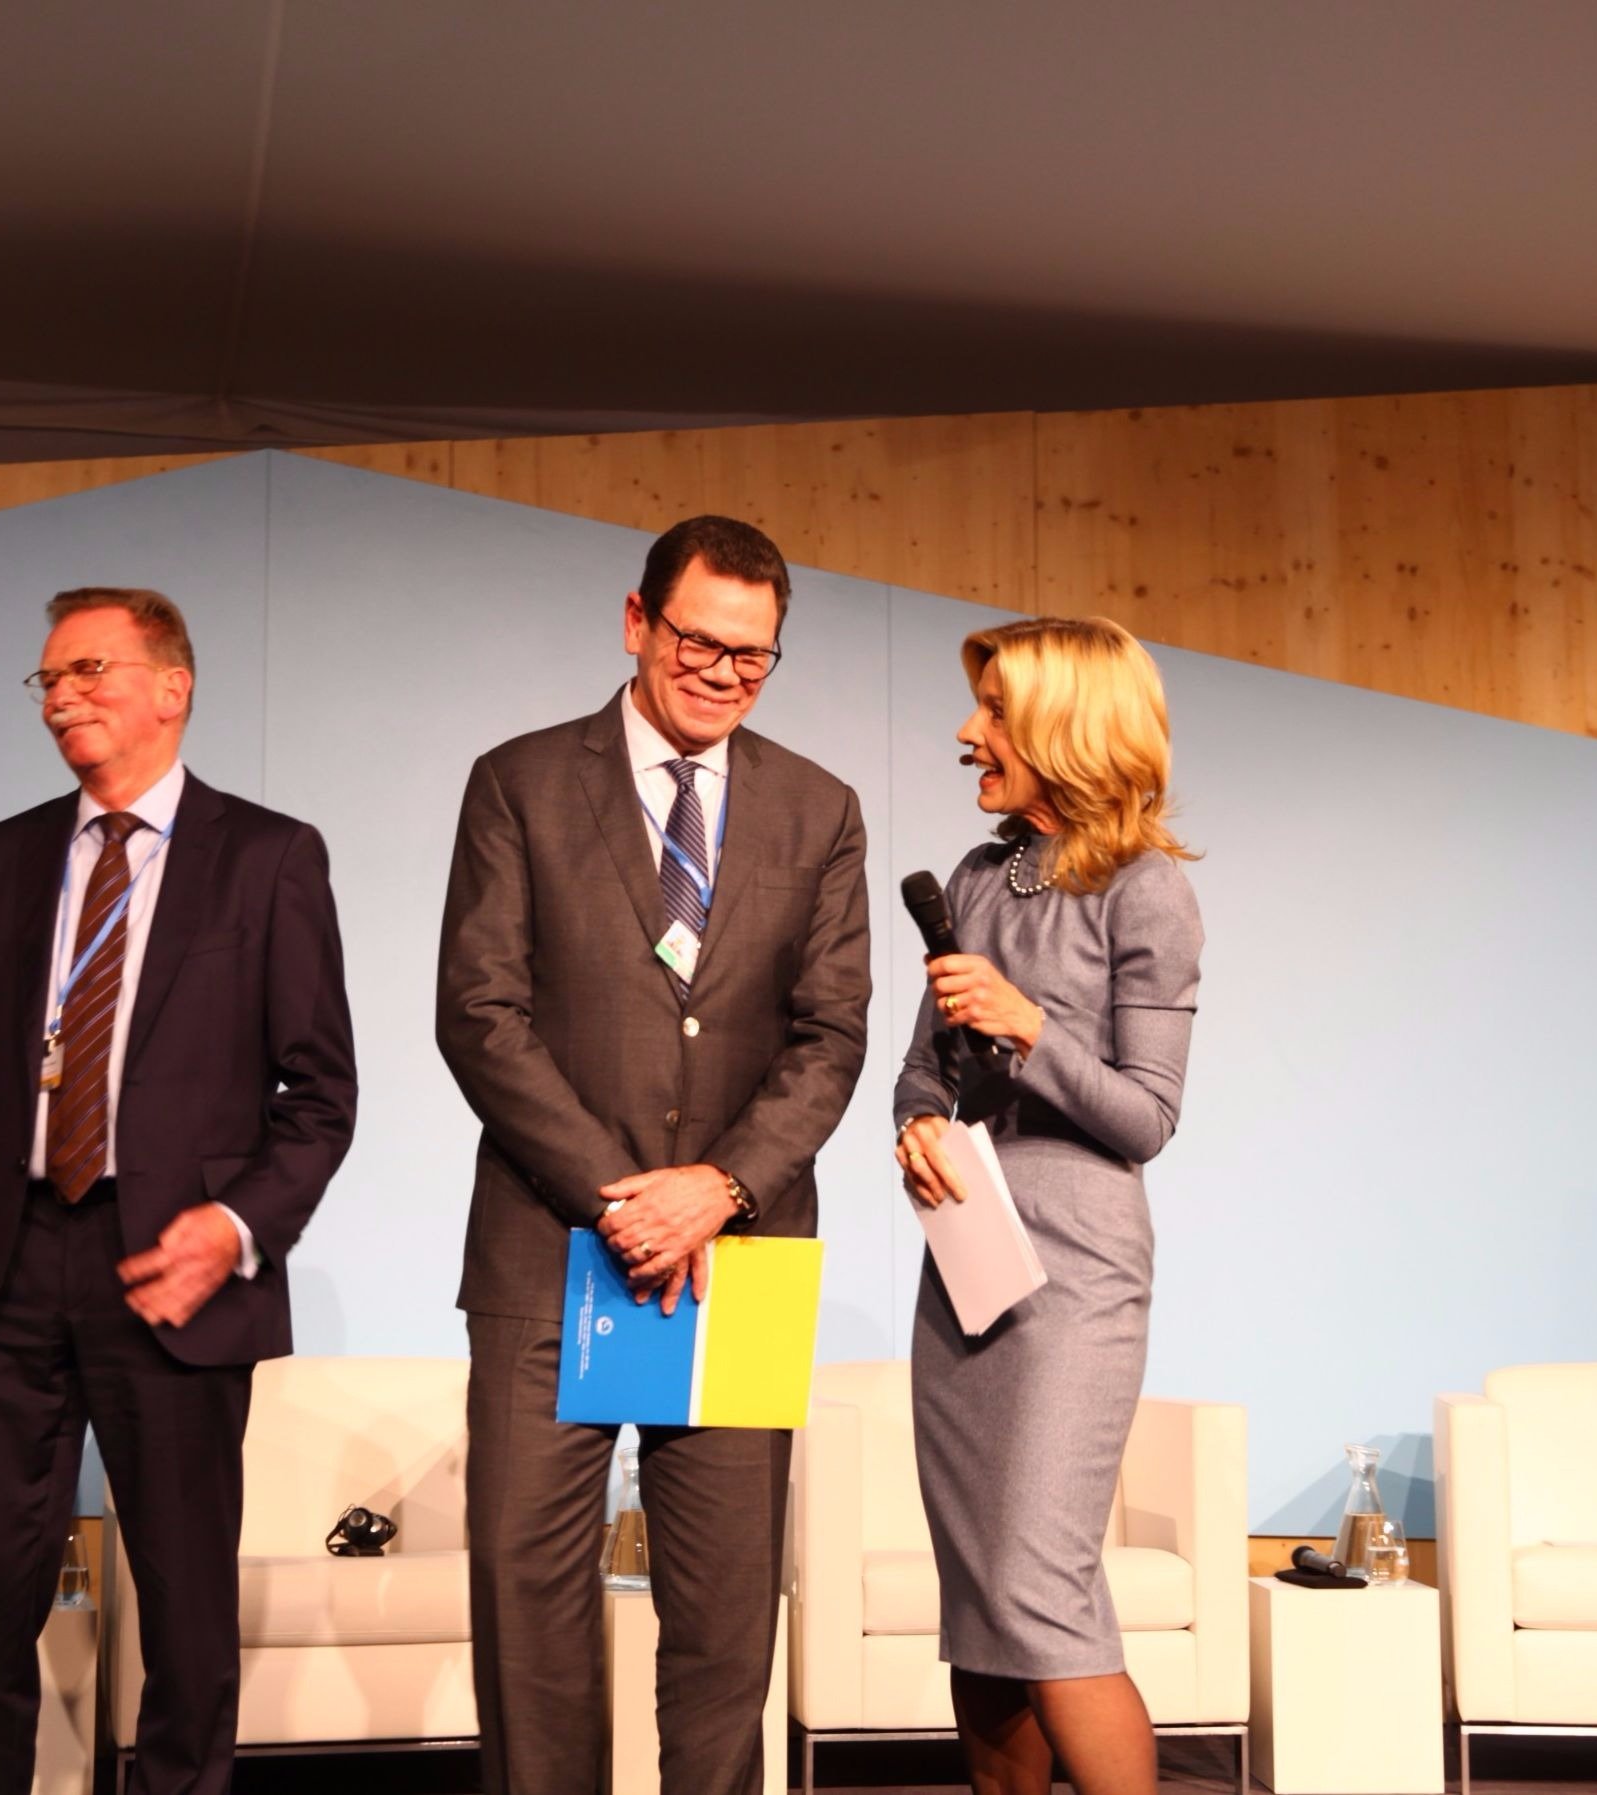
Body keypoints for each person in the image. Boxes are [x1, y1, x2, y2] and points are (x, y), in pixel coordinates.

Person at [0, 587, 357, 1795]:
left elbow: (319, 1093)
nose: (62, 697)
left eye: (88, 670)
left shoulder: (267, 856)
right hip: (5, 1268)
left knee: (186, 1610)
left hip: (175, 1275)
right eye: (46, 680)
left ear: (171, 684)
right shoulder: (1, 858)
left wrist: (238, 1223)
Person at [436, 515, 871, 1794]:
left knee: (728, 1621)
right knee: (531, 1610)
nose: (722, 672)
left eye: (754, 654)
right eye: (698, 640)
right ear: (637, 622)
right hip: (546, 1246)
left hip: (742, 1254)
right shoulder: (517, 781)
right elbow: (480, 1013)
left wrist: (718, 1190)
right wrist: (624, 1199)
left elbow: (831, 1034)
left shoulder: (819, 807)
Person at [891, 615, 1205, 1795]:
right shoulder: (977, 877)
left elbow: (1146, 1120)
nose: (969, 734)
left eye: (995, 713)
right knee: (980, 1599)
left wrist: (1031, 1026)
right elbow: (925, 1065)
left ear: (1065, 727)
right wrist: (915, 1125)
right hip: (967, 1274)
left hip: (1074, 1282)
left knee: (1039, 1584)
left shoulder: (1147, 889)